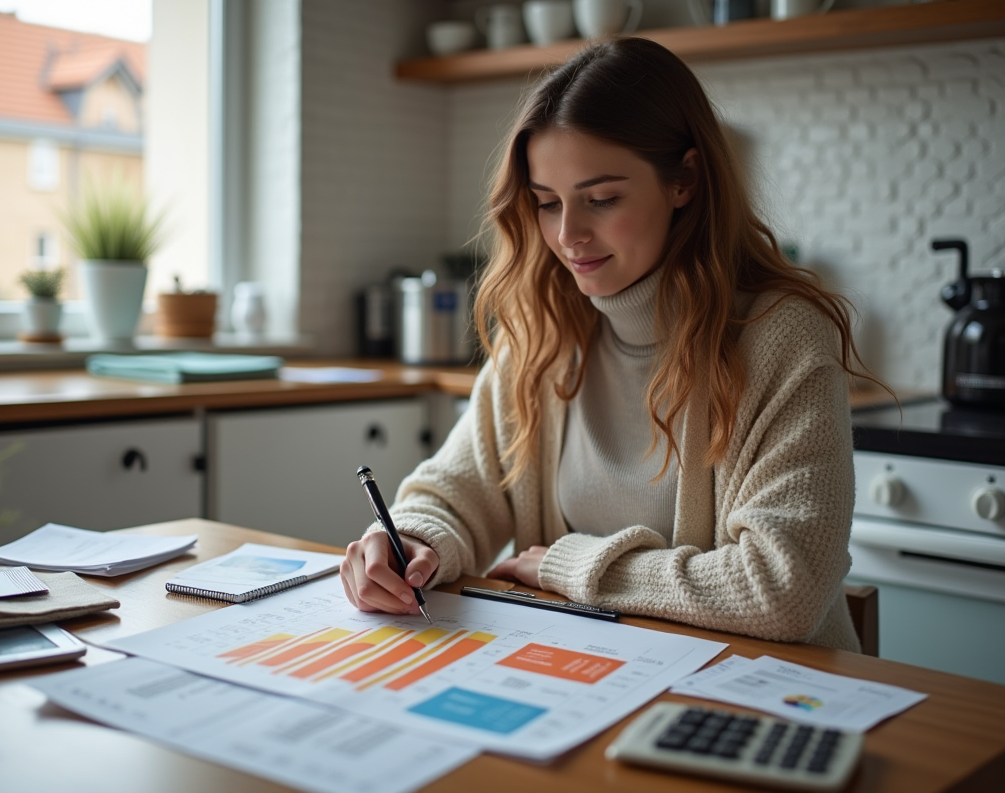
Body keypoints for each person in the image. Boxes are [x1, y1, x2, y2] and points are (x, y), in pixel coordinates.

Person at [340, 37, 885, 652]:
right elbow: (455, 492)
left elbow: (783, 590)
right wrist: (412, 540)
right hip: (594, 675)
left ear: (684, 179)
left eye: (601, 199)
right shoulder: (544, 331)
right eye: (547, 203)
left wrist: (572, 566)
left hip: (768, 697)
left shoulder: (782, 337)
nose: (568, 234)